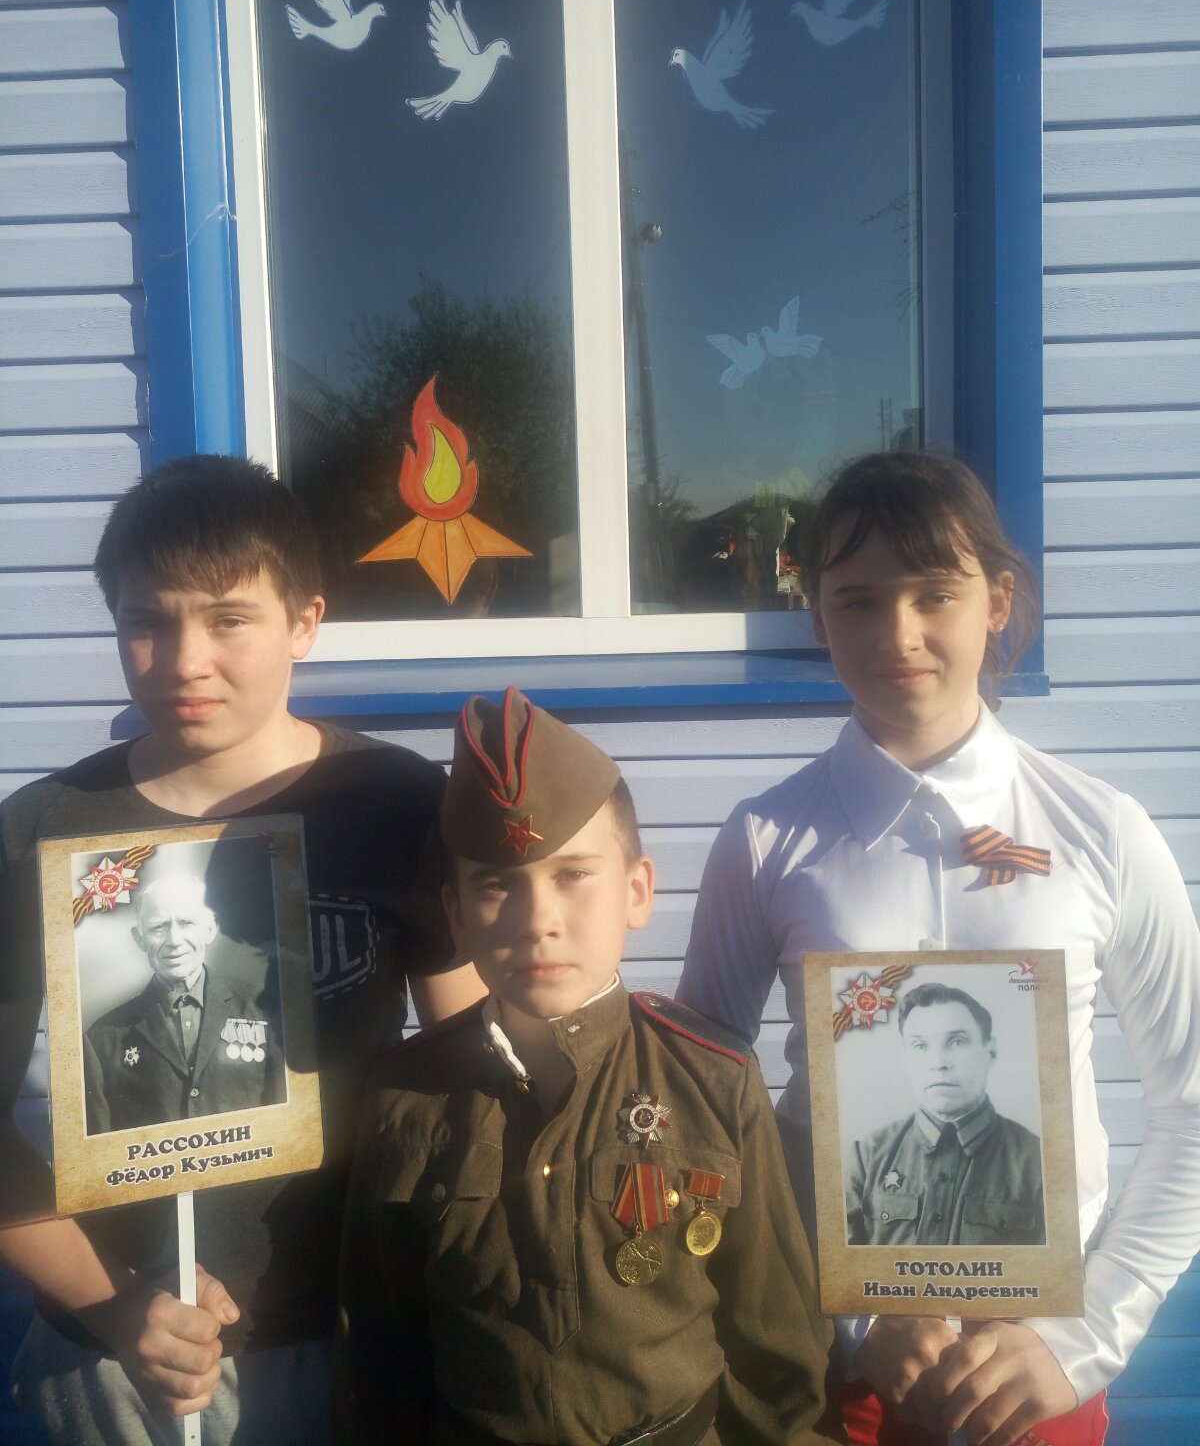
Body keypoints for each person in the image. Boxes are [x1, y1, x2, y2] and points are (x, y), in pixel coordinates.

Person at [678, 451, 1200, 1446]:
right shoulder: (765, 842)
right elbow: (703, 1114)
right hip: (832, 1372)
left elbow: (1193, 1109)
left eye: (935, 594)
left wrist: (1083, 1340)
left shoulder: (1103, 832)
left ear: (998, 600)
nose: (899, 634)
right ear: (817, 618)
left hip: (1038, 1370)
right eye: (859, 601)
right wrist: (852, 1317)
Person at [0, 454, 484, 1446]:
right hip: (118, 1361)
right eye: (147, 621)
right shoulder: (44, 827)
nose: (184, 660)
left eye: (228, 619)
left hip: (353, 1326)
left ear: (304, 622)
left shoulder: (396, 805)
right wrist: (114, 1306)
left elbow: (471, 1062)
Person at [337, 686, 839, 1445]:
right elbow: (380, 1348)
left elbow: (777, 1343)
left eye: (573, 874)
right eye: (496, 885)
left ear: (637, 891)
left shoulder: (714, 1081)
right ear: (456, 916)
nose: (538, 921)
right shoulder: (408, 1096)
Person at [844, 982, 1044, 1249]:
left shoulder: (1037, 1161)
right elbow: (842, 1268)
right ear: (905, 1058)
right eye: (920, 1045)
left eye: (957, 1041)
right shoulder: (867, 1156)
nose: (938, 1062)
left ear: (990, 1051)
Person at [83, 874, 285, 1135]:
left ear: (210, 929)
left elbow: (286, 1121)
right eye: (158, 927)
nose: (174, 940)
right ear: (139, 938)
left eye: (187, 923)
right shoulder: (102, 1040)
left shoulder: (267, 1008)